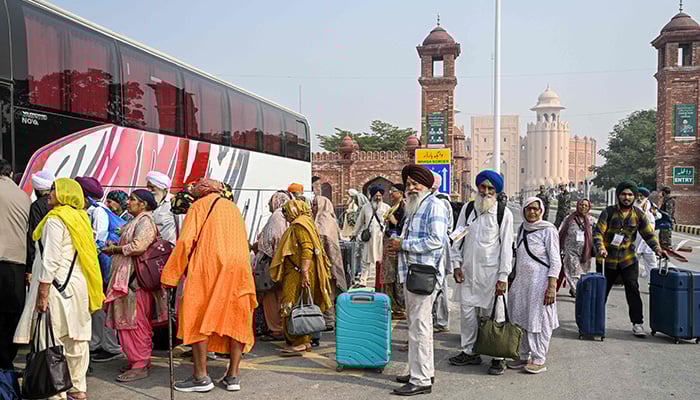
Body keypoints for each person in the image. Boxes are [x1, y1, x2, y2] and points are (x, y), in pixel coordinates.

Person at [161, 179, 256, 392]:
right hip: (239, 272)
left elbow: (185, 242)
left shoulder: (199, 206)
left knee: (197, 318)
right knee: (236, 320)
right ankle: (233, 376)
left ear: (199, 192)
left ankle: (200, 377)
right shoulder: (233, 208)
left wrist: (169, 277)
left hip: (208, 269)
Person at [14, 177, 105, 400]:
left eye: (55, 190)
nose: (50, 193)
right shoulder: (81, 218)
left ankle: (56, 393)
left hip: (55, 288)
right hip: (78, 287)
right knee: (77, 339)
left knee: (52, 340)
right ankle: (78, 389)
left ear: (65, 194)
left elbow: (50, 260)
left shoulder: (55, 220)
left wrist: (42, 293)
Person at [389, 165, 449, 396]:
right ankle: (420, 370)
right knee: (416, 326)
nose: (412, 188)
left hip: (423, 276)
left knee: (420, 328)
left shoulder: (433, 206)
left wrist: (403, 245)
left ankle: (421, 379)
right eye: (409, 184)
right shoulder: (417, 207)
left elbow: (436, 240)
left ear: (426, 185)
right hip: (413, 273)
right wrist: (400, 243)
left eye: (416, 184)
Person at [449, 169, 514, 376]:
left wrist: (503, 277)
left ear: (496, 191)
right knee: (467, 314)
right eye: (483, 187)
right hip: (468, 273)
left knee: (493, 315)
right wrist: (456, 265)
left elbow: (506, 248)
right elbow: (457, 238)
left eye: (490, 188)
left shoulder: (503, 213)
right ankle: (469, 352)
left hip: (491, 275)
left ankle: (497, 357)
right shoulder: (468, 209)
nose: (485, 191)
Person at [102, 190, 166, 383]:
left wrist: (114, 249)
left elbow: (139, 246)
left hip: (134, 281)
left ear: (144, 204)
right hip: (127, 279)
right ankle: (136, 360)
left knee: (134, 322)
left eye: (133, 200)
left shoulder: (145, 221)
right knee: (128, 321)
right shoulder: (136, 220)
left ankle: (139, 363)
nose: (128, 202)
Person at [593, 181, 666, 337]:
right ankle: (594, 322)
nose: (626, 197)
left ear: (634, 196)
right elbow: (598, 232)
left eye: (630, 194)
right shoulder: (608, 212)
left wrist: (657, 249)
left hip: (628, 259)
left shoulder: (638, 215)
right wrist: (601, 247)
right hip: (607, 259)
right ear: (619, 195)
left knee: (633, 290)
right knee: (601, 292)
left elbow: (648, 234)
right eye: (624, 194)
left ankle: (637, 323)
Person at [270, 200, 333, 356]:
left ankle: (302, 343)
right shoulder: (305, 222)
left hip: (299, 273)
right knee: (299, 303)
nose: (285, 217)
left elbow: (307, 249)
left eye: (286, 212)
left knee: (295, 304)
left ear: (294, 210)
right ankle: (297, 338)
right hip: (299, 271)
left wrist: (304, 272)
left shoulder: (300, 225)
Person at [507, 197, 562, 374]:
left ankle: (539, 358)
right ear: (523, 210)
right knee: (520, 317)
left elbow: (555, 260)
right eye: (529, 209)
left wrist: (551, 286)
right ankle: (523, 355)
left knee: (538, 320)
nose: (532, 212)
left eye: (536, 209)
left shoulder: (548, 230)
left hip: (540, 282)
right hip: (522, 282)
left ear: (542, 211)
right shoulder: (522, 227)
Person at [75, 176, 122, 363]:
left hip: (102, 266)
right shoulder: (92, 210)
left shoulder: (98, 212)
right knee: (95, 307)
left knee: (103, 306)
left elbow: (98, 240)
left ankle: (111, 346)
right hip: (98, 265)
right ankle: (96, 343)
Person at [0, 159, 30, 370]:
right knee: (10, 316)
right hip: (17, 264)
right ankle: (6, 364)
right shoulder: (24, 196)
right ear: (10, 174)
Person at [253, 191, 290, 341]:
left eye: (270, 201)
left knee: (269, 296)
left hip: (271, 262)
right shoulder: (285, 215)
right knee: (279, 296)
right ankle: (281, 327)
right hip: (280, 262)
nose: (268, 204)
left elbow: (274, 239)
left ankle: (275, 329)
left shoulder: (276, 217)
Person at [312, 195, 347, 330]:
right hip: (332, 262)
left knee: (326, 292)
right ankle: (330, 319)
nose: (312, 208)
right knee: (329, 291)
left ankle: (328, 320)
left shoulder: (322, 222)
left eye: (315, 205)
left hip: (326, 264)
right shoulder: (331, 220)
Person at [352, 186, 390, 287]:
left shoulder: (386, 207)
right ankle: (363, 281)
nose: (378, 197)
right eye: (376, 195)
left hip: (381, 237)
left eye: (380, 195)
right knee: (365, 259)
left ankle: (381, 282)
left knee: (381, 259)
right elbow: (360, 221)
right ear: (372, 196)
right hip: (369, 237)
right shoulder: (366, 207)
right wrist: (354, 234)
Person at [430, 172, 453, 334]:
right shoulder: (429, 201)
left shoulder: (440, 202)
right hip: (433, 250)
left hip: (439, 249)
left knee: (441, 285)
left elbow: (447, 228)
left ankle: (442, 320)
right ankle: (437, 318)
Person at [558, 199, 595, 297]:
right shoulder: (569, 219)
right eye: (581, 205)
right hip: (571, 250)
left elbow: (598, 233)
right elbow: (561, 231)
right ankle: (578, 292)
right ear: (577, 206)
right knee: (574, 271)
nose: (583, 207)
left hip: (585, 252)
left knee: (583, 272)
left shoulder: (592, 220)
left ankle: (574, 289)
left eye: (586, 205)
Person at [382, 183, 406, 319]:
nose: (391, 194)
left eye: (394, 191)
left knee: (395, 277)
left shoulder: (404, 208)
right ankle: (393, 306)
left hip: (397, 247)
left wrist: (394, 221)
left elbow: (404, 227)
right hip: (389, 244)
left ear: (401, 193)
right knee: (389, 277)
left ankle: (399, 307)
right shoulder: (394, 208)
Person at [26, 170, 55, 276]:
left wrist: (29, 267)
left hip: (41, 259)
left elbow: (33, 236)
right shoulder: (60, 205)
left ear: (37, 189)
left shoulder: (37, 206)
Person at [146, 171, 178, 244]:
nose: (149, 191)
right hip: (150, 251)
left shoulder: (174, 203)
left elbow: (182, 229)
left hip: (168, 251)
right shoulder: (147, 203)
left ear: (163, 188)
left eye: (152, 187)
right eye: (148, 187)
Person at [634, 187, 658, 278]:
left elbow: (658, 215)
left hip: (649, 240)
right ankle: (632, 285)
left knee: (652, 264)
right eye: (638, 196)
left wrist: (655, 213)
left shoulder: (651, 204)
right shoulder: (634, 205)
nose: (639, 198)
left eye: (641, 196)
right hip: (637, 239)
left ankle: (652, 286)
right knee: (633, 264)